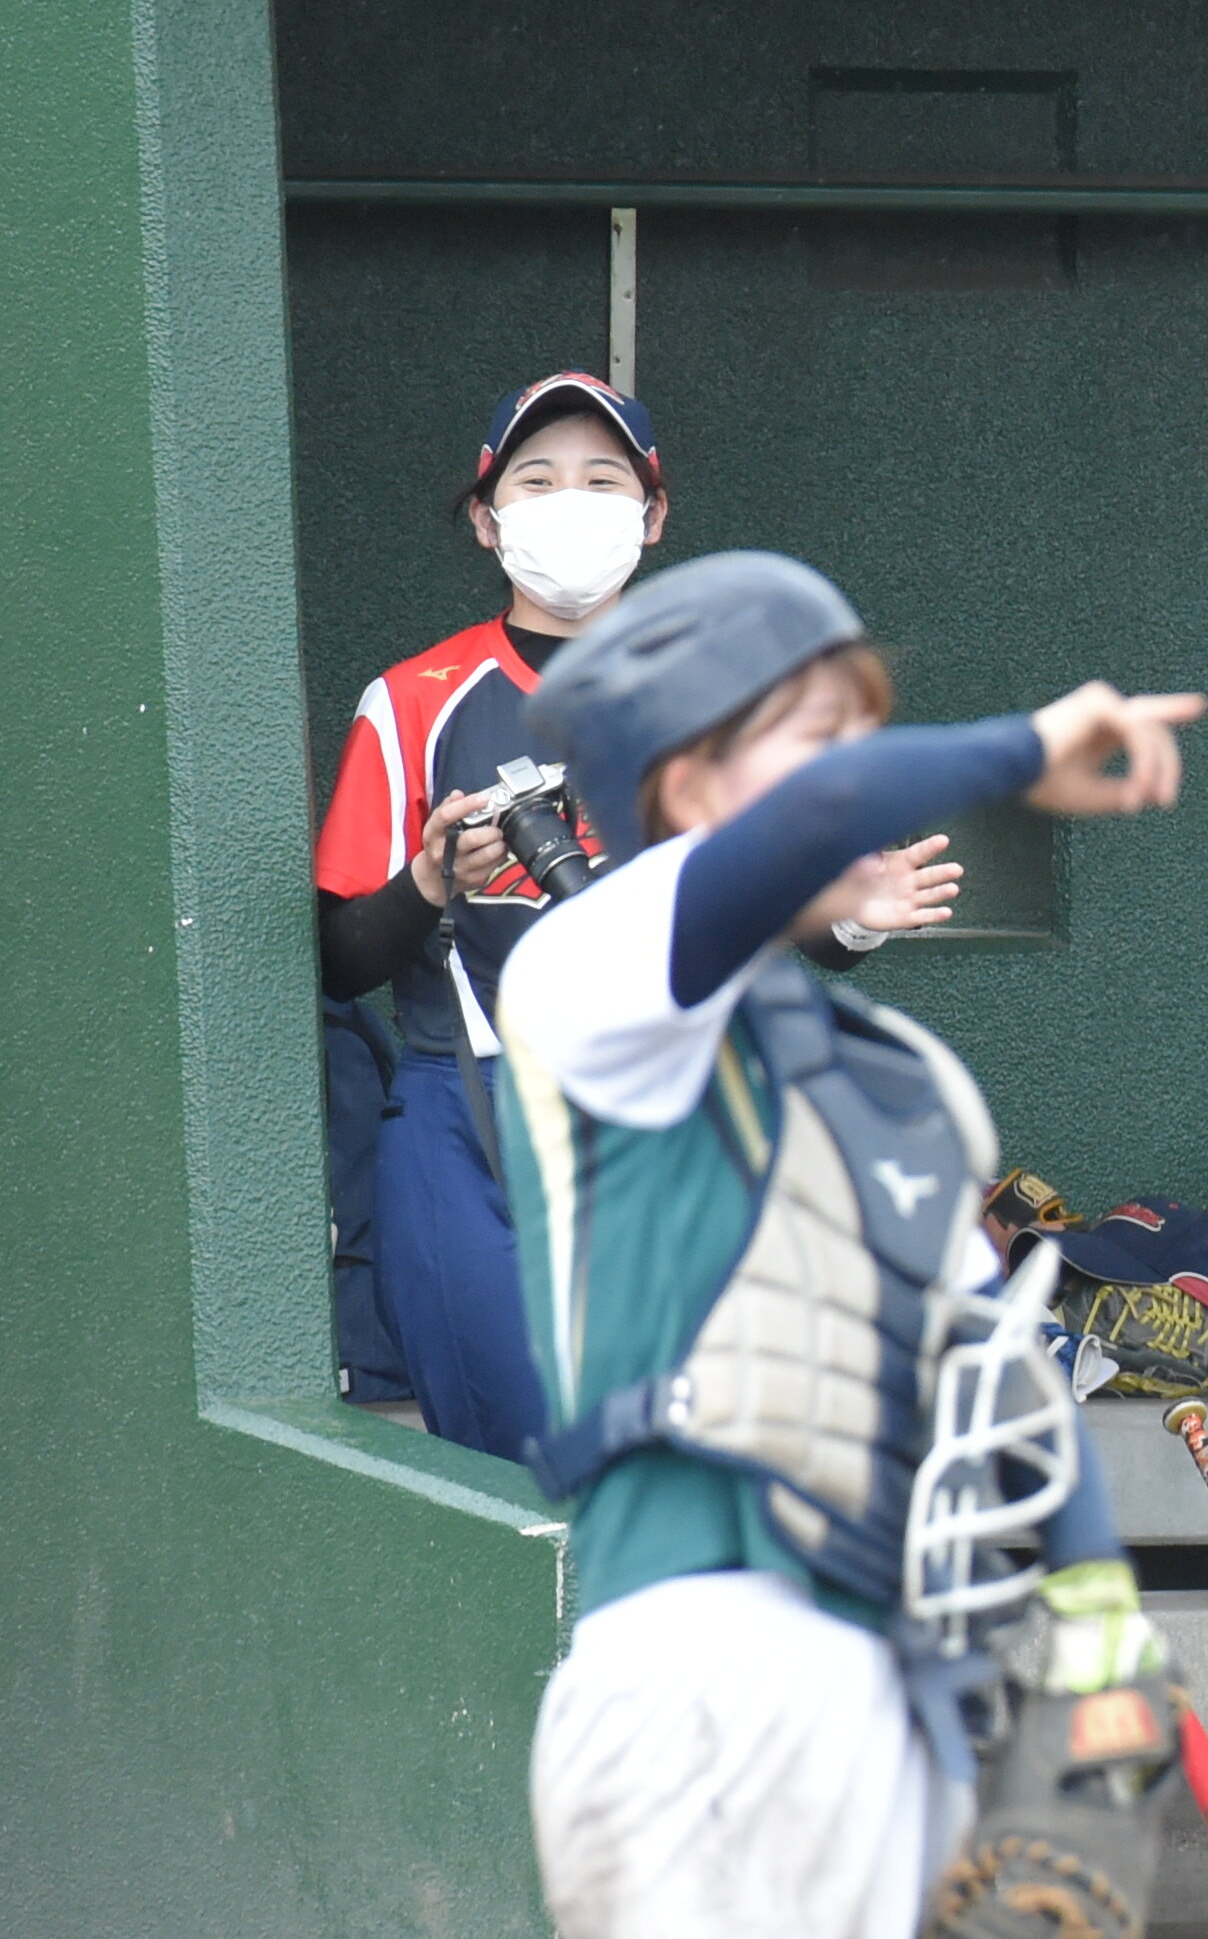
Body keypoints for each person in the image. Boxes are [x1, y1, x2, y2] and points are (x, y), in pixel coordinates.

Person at [483, 553, 1199, 1939]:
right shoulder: (598, 981)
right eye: (817, 736)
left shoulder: (899, 1079)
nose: (862, 780)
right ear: (687, 785)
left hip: (896, 1712)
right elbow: (805, 831)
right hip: (700, 1676)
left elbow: (1013, 1393)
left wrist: (1108, 1667)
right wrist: (1019, 744)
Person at [313, 374, 950, 1458]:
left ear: (652, 516)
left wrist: (856, 912)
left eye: (603, 479)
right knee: (509, 1453)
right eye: (537, 478)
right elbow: (337, 961)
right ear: (486, 515)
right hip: (464, 1106)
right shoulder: (417, 697)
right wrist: (429, 881)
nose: (570, 500)